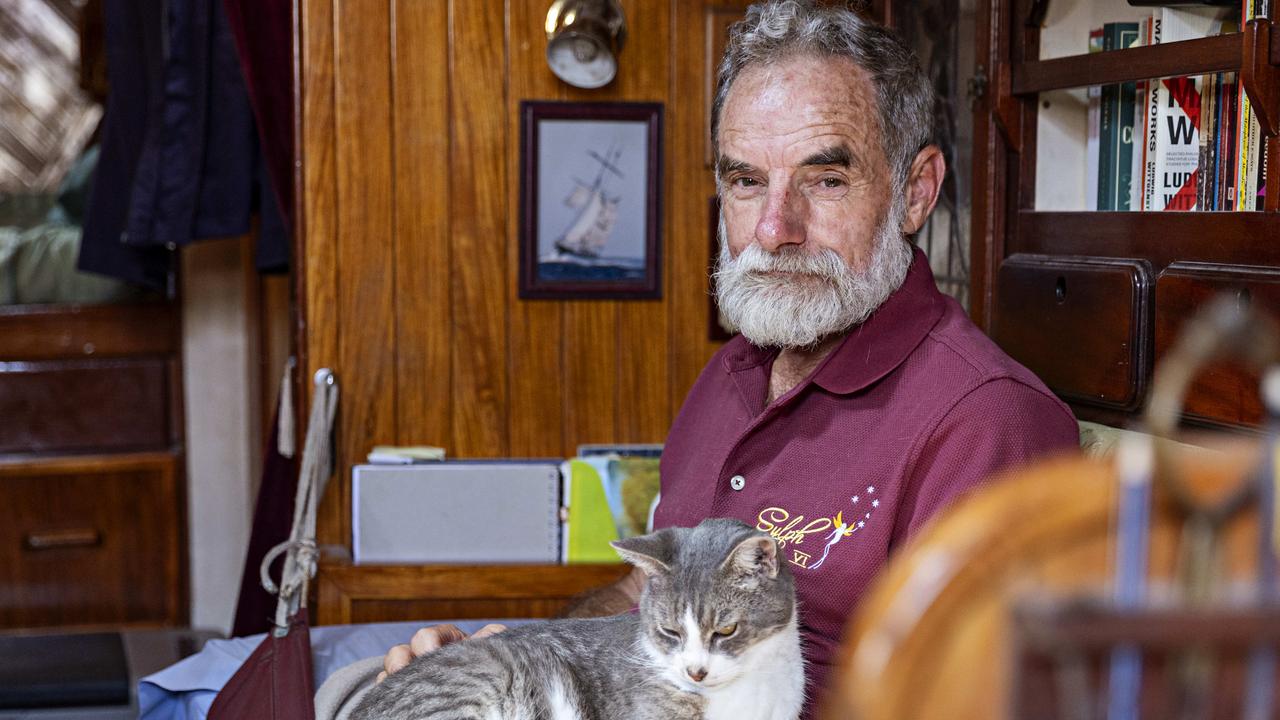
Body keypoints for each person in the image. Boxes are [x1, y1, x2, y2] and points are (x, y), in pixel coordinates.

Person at [380, 0, 1079, 715]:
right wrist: (515, 668)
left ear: (915, 193)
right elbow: (634, 600)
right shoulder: (732, 371)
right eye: (746, 182)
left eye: (825, 180)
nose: (774, 229)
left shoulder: (991, 422)